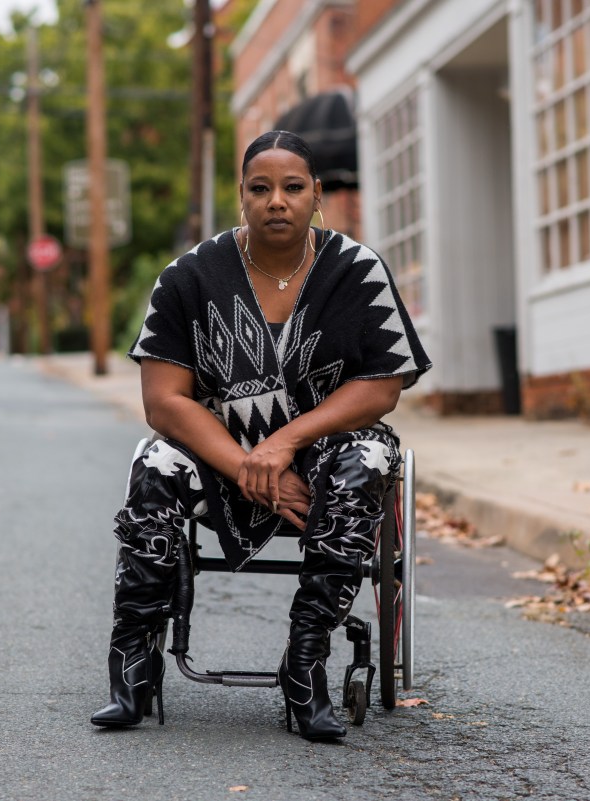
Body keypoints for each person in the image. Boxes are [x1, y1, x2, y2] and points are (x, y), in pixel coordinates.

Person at [90, 130, 431, 741]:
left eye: (293, 188)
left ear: (316, 196)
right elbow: (164, 400)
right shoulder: (189, 277)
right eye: (261, 188)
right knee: (156, 464)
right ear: (241, 197)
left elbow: (382, 386)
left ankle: (304, 666)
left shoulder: (358, 271)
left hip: (320, 458)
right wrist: (247, 466)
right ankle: (132, 662)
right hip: (217, 454)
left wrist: (282, 445)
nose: (278, 200)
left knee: (370, 454)